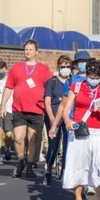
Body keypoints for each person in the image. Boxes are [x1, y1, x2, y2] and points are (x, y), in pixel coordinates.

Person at [60, 59, 100, 200]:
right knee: (79, 162)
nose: (94, 79)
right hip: (80, 129)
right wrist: (68, 120)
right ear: (87, 74)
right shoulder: (77, 86)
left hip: (99, 130)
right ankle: (78, 198)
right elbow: (66, 108)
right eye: (91, 75)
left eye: (97, 76)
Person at [0, 39, 53, 179]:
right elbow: (9, 87)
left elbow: (50, 86)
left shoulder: (44, 69)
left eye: (30, 49)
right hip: (19, 109)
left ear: (36, 52)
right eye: (26, 49)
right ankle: (20, 161)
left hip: (36, 110)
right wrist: (3, 105)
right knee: (18, 138)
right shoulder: (16, 68)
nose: (28, 52)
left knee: (33, 140)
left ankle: (29, 166)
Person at [44, 55, 72, 184]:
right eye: (62, 67)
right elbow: (47, 102)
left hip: (67, 118)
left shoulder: (72, 82)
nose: (65, 69)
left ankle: (66, 172)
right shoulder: (52, 82)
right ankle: (49, 169)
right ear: (58, 67)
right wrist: (51, 118)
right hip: (54, 116)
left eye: (67, 66)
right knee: (53, 146)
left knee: (68, 146)